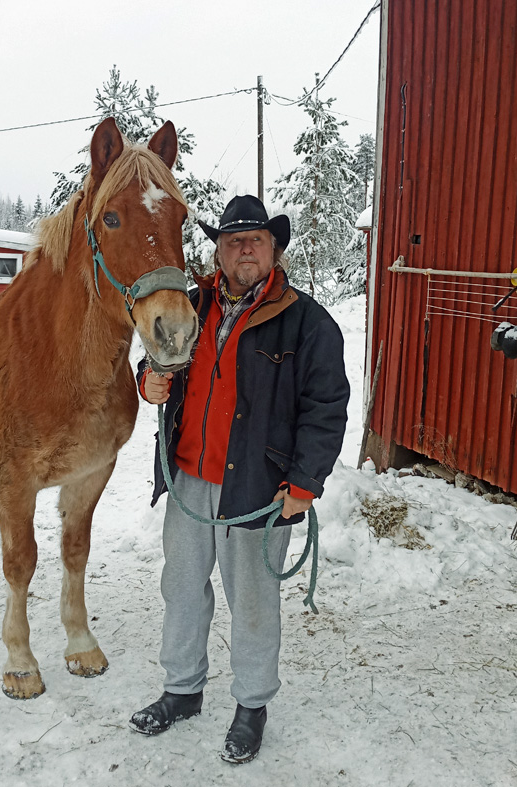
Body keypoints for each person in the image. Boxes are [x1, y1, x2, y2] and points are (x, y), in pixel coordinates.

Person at [129, 195, 350, 764]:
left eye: (255, 240)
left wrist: (304, 483)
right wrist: (148, 379)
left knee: (251, 600)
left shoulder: (308, 321)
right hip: (188, 479)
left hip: (257, 488)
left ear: (274, 249)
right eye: (232, 241)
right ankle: (182, 690)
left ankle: (251, 704)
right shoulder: (192, 304)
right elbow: (159, 356)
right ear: (219, 251)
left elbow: (326, 409)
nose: (243, 249)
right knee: (180, 589)